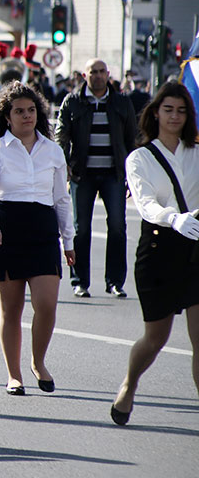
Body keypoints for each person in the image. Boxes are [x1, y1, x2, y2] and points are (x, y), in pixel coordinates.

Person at [0, 82, 76, 395]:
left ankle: (38, 361)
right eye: (19, 111)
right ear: (7, 117)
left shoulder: (53, 151)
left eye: (31, 110)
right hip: (6, 229)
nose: (26, 116)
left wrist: (69, 241)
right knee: (12, 309)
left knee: (47, 304)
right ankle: (14, 375)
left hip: (42, 229)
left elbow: (62, 198)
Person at [110, 81, 199, 426]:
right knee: (155, 338)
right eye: (168, 109)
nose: (175, 116)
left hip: (196, 249)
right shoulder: (140, 158)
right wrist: (174, 218)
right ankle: (130, 384)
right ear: (156, 113)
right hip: (160, 248)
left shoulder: (196, 152)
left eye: (181, 110)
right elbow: (145, 203)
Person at [55, 59, 137, 298]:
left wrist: (132, 174)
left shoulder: (122, 102)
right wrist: (62, 164)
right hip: (82, 174)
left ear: (108, 74)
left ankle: (115, 282)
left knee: (118, 228)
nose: (99, 76)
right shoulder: (72, 101)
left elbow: (132, 139)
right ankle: (80, 281)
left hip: (114, 174)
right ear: (85, 75)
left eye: (102, 72)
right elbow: (61, 135)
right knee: (81, 229)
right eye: (94, 72)